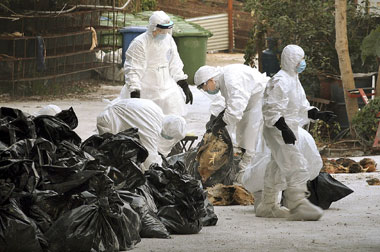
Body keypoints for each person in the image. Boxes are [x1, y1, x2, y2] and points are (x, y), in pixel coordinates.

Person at [257, 44, 336, 221]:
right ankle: (298, 205)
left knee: (277, 166)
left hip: (288, 127)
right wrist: (283, 129)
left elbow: (300, 107)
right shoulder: (281, 80)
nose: (303, 63)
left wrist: (318, 114)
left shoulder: (294, 79)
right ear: (292, 60)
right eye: (300, 59)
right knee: (296, 164)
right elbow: (271, 109)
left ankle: (268, 206)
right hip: (278, 128)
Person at [194, 64, 270, 175]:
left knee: (250, 136)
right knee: (243, 132)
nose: (205, 90)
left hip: (259, 99)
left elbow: (235, 109)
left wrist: (222, 122)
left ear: (210, 80)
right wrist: (219, 117)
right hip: (251, 101)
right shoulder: (223, 79)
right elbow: (230, 103)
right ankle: (245, 162)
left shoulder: (231, 80)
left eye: (203, 87)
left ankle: (247, 170)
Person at [119, 10, 193, 116]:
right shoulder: (140, 43)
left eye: (165, 30)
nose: (163, 34)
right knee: (144, 119)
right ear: (153, 28)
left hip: (166, 88)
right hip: (145, 90)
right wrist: (135, 91)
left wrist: (183, 84)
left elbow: (174, 63)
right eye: (160, 30)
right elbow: (133, 68)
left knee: (171, 118)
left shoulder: (168, 40)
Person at [96, 98, 186, 171]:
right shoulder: (151, 128)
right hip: (110, 122)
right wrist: (161, 173)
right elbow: (150, 156)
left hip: (116, 115)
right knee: (109, 156)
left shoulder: (157, 113)